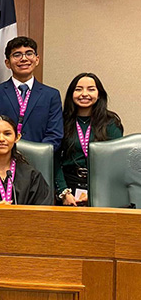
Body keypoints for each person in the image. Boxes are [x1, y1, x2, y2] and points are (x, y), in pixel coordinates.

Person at [0, 36, 63, 150]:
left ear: (37, 59)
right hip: (3, 160)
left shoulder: (51, 95)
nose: (24, 59)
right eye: (17, 55)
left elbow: (55, 134)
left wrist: (38, 154)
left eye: (29, 53)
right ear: (7, 63)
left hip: (39, 161)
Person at [55, 73, 123, 206]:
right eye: (78, 89)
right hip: (69, 186)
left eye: (91, 89)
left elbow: (116, 163)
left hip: (101, 186)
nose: (84, 93)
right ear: (71, 94)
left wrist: (94, 193)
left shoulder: (110, 122)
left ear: (99, 95)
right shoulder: (61, 121)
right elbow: (54, 159)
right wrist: (63, 192)